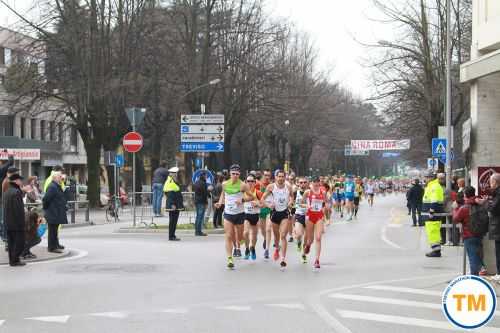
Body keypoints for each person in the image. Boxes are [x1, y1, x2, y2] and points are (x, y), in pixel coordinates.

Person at [215, 164, 255, 269]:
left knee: (240, 237)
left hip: (240, 214)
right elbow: (223, 194)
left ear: (239, 174)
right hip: (228, 214)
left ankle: (240, 241)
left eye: (237, 174)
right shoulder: (224, 184)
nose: (235, 176)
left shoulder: (243, 185)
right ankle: (229, 258)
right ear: (230, 173)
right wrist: (220, 203)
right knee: (228, 235)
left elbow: (252, 197)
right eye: (233, 174)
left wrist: (242, 200)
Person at [261, 170, 294, 269]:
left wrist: (290, 203)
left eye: (282, 176)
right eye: (279, 176)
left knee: (283, 235)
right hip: (274, 213)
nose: (281, 178)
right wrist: (268, 205)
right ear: (275, 177)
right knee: (276, 238)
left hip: (284, 213)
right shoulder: (271, 187)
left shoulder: (288, 187)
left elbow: (292, 197)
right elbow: (262, 199)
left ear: (285, 177)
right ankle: (276, 248)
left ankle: (283, 259)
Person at [453, 186, 483, 275]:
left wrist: (455, 208)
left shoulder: (464, 208)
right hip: (480, 233)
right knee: (477, 255)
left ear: (465, 195)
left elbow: (455, 219)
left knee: (472, 257)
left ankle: (474, 276)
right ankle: (478, 271)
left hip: (469, 235)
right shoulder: (479, 203)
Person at [3, 173, 26, 266]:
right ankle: (15, 260)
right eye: (20, 180)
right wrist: (22, 223)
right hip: (16, 223)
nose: (21, 182)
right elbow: (18, 209)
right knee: (19, 242)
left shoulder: (7, 191)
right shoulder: (16, 192)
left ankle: (12, 260)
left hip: (8, 222)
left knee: (11, 243)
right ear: (16, 181)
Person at [43, 172, 68, 253]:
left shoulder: (56, 186)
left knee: (55, 230)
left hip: (56, 212)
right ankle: (52, 247)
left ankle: (56, 245)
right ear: (54, 178)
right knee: (52, 231)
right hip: (53, 212)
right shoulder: (52, 187)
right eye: (59, 177)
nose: (61, 178)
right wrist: (48, 209)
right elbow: (46, 199)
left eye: (61, 176)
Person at [422, 171, 445, 257]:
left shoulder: (434, 186)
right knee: (433, 232)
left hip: (433, 214)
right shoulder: (431, 185)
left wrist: (431, 212)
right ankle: (436, 249)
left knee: (433, 232)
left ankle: (436, 251)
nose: (425, 179)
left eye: (427, 177)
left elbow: (434, 200)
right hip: (432, 214)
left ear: (431, 178)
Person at [242, 174, 262, 260]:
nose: (250, 183)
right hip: (246, 215)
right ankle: (247, 248)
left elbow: (264, 204)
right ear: (246, 182)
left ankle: (252, 248)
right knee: (246, 233)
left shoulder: (258, 192)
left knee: (254, 236)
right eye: (248, 181)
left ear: (255, 182)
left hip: (255, 216)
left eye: (252, 181)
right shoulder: (243, 192)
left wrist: (258, 204)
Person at [164, 167, 184, 241]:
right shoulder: (170, 182)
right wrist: (172, 204)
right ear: (173, 174)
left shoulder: (172, 181)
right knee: (172, 221)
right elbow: (170, 194)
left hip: (175, 204)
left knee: (174, 221)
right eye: (175, 174)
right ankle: (171, 236)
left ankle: (173, 235)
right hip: (173, 205)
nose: (176, 175)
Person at [257, 169, 273, 259]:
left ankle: (267, 250)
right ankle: (266, 238)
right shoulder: (258, 185)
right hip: (261, 209)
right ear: (263, 175)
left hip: (269, 209)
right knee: (262, 230)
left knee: (268, 228)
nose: (267, 177)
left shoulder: (272, 186)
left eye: (268, 175)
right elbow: (253, 195)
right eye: (265, 175)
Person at [0, 155, 15, 249]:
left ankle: (6, 240)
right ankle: (6, 240)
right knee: (4, 221)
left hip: (2, 201)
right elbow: (6, 166)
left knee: (3, 221)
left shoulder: (4, 177)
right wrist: (10, 159)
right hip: (3, 202)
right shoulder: (4, 178)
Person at [294, 177, 308, 260]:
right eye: (301, 182)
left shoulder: (310, 192)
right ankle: (299, 242)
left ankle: (303, 254)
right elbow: (291, 202)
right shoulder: (295, 192)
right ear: (298, 183)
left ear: (307, 183)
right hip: (299, 215)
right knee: (299, 234)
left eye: (304, 182)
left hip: (308, 217)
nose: (303, 184)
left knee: (306, 237)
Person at [193, 171, 208, 236]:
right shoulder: (203, 183)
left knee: (198, 216)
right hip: (201, 201)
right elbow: (204, 193)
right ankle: (198, 231)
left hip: (197, 201)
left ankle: (197, 230)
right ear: (203, 176)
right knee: (200, 216)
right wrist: (209, 191)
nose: (206, 177)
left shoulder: (196, 182)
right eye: (206, 176)